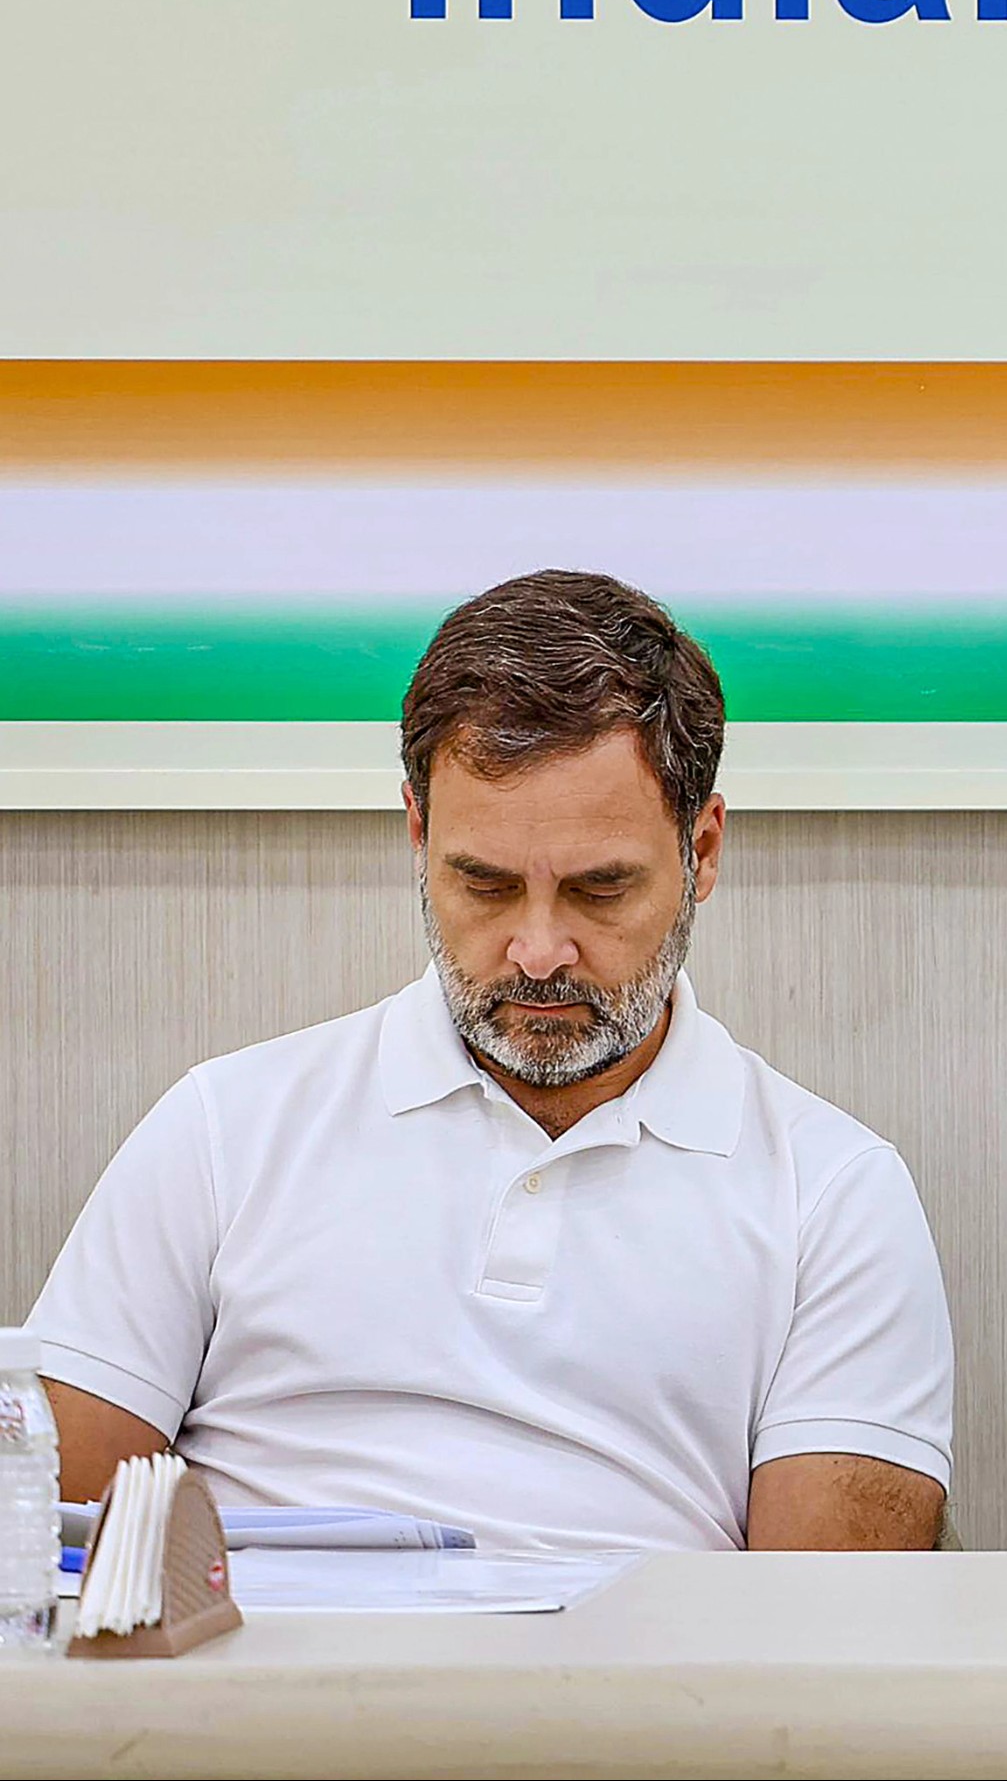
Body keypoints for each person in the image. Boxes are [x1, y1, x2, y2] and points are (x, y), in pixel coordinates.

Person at [20, 570, 955, 1552]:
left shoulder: (835, 1197)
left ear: (702, 851)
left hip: (645, 1699)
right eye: (486, 884)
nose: (539, 951)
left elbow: (833, 1637)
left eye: (600, 889)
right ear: (419, 837)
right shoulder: (224, 1129)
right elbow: (57, 1543)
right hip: (259, 1689)